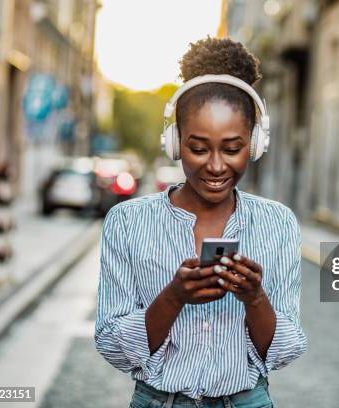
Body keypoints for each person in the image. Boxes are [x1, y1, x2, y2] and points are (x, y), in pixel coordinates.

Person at [94, 37, 307, 408]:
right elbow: (113, 347)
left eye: (232, 148)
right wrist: (174, 296)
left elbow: (283, 352)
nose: (216, 165)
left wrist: (255, 299)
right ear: (174, 142)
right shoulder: (127, 222)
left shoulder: (279, 223)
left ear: (255, 144)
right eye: (198, 148)